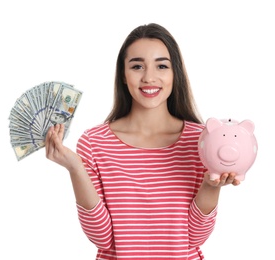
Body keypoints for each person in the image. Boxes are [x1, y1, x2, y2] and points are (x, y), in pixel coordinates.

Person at [45, 23, 240, 260]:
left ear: (174, 74)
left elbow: (194, 238)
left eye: (161, 66)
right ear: (123, 76)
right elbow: (102, 239)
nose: (149, 77)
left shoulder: (201, 140)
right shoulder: (94, 143)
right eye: (137, 66)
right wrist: (75, 168)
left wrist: (211, 186)